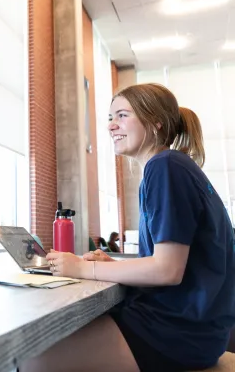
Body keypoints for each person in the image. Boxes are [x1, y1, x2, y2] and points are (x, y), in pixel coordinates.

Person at [21, 84, 235, 371]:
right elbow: (172, 263)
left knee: (31, 356)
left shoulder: (166, 166)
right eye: (110, 117)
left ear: (156, 120)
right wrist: (111, 264)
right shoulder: (172, 167)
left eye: (122, 115)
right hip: (197, 328)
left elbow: (167, 270)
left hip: (179, 332)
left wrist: (83, 268)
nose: (111, 126)